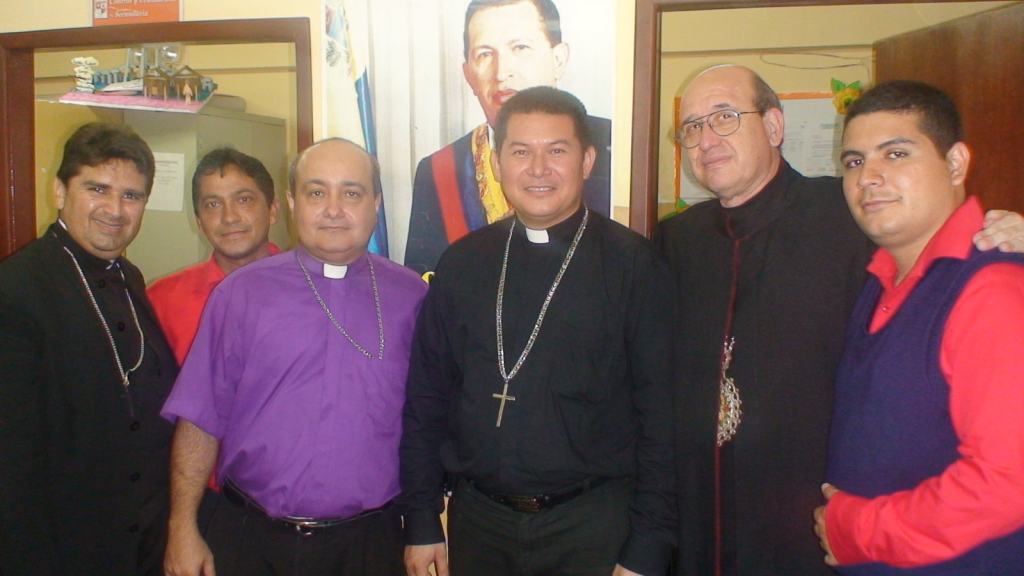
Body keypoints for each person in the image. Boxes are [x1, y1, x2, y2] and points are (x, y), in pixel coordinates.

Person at [654, 65, 1024, 575]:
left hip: (816, 523)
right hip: (706, 514)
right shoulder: (677, 239)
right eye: (691, 127)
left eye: (724, 116)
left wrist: (1009, 231)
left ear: (775, 127)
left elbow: (944, 237)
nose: (706, 138)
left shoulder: (851, 212)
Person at [400, 86, 676, 576]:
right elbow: (428, 396)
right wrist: (422, 517)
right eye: (521, 151)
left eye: (557, 150)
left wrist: (648, 546)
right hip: (478, 523)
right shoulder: (463, 263)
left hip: (592, 525)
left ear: (587, 160)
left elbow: (664, 417)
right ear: (498, 162)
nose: (538, 168)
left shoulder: (636, 265)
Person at [161, 138, 427, 576]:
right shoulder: (241, 294)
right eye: (317, 192)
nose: (334, 209)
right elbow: (200, 418)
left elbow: (427, 421)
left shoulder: (412, 295)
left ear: (375, 204)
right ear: (290, 203)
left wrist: (424, 524)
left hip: (370, 543)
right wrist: (182, 528)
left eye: (352, 193)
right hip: (253, 538)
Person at [814, 80, 1024, 574]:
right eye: (854, 161)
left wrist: (856, 529)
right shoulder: (883, 279)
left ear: (954, 164)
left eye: (896, 154)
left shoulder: (991, 290)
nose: (869, 177)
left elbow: (1006, 482)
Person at [0, 122, 178, 574]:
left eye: (132, 196)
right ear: (60, 191)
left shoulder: (131, 278)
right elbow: (13, 462)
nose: (115, 210)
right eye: (97, 188)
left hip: (145, 544)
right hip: (64, 550)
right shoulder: (16, 289)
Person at [404, 0, 612, 275]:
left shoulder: (616, 148)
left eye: (520, 48)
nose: (502, 73)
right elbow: (426, 285)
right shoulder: (440, 169)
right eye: (485, 54)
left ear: (558, 59)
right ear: (468, 74)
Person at [148, 147, 281, 365]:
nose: (229, 217)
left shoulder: (312, 291)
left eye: (244, 199)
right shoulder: (161, 301)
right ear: (199, 223)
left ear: (273, 211)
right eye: (213, 204)